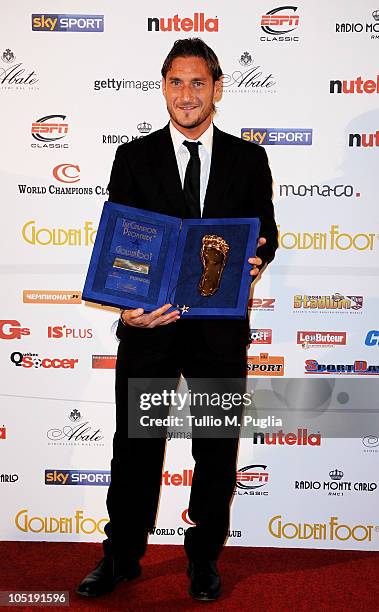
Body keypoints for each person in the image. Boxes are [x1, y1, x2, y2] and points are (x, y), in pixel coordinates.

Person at [77, 37, 278, 602]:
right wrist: (128, 306)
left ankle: (203, 558)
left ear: (217, 88)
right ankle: (121, 556)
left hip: (218, 331)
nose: (186, 94)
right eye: (175, 82)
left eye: (198, 83)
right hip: (150, 329)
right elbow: (120, 242)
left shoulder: (249, 159)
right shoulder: (134, 157)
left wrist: (257, 257)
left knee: (215, 446)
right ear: (163, 87)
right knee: (136, 447)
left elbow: (267, 231)